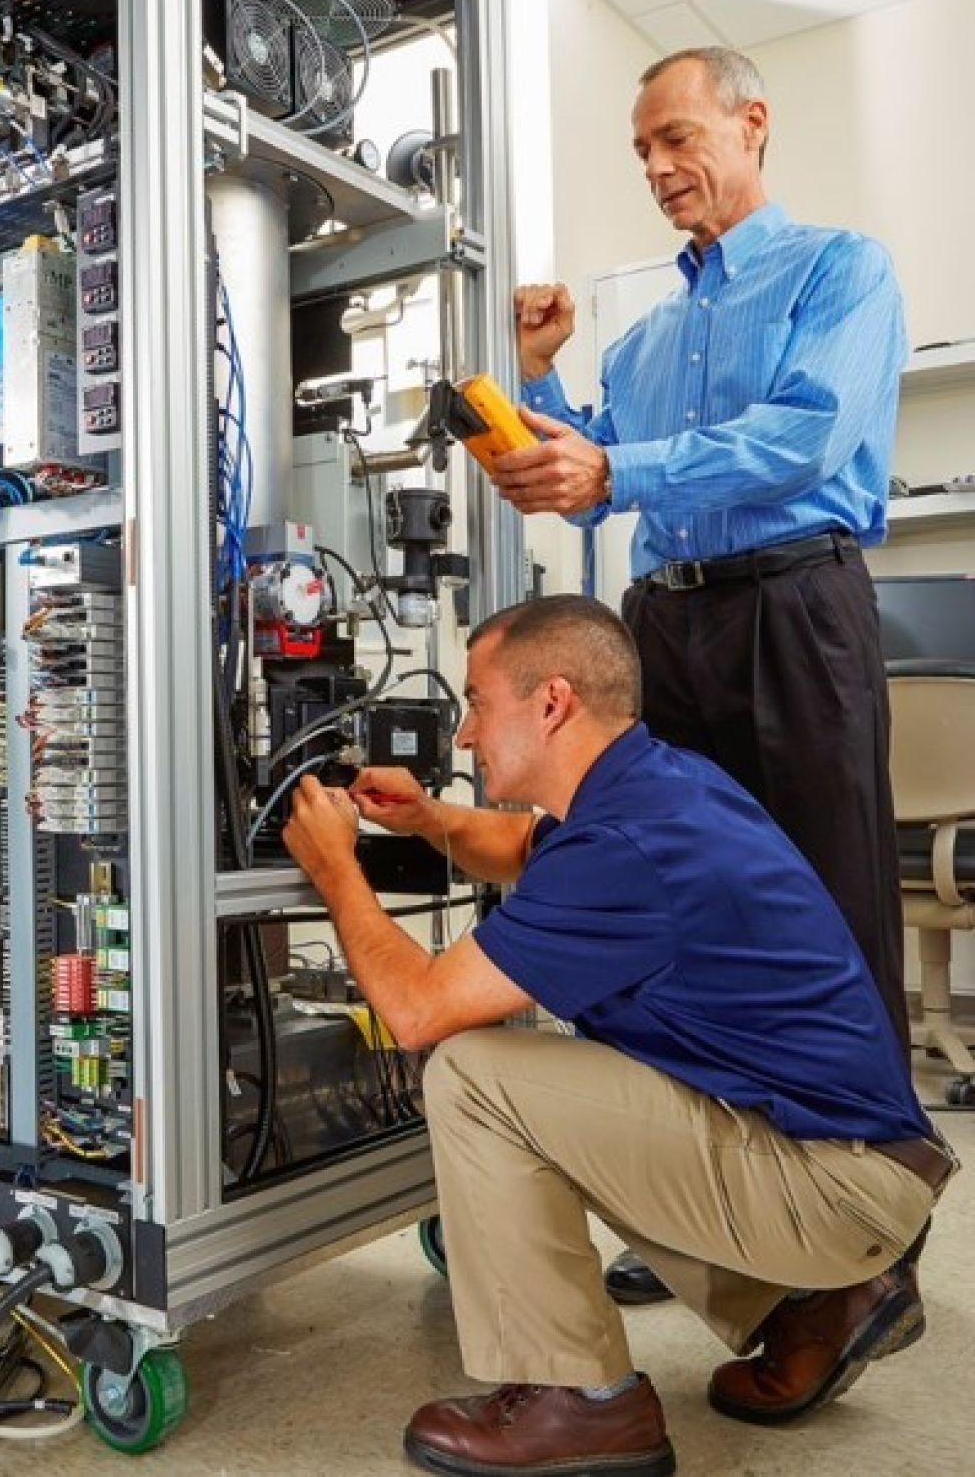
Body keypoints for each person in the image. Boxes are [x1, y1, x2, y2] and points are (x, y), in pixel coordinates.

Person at [282, 596, 954, 1477]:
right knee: (585, 1086)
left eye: (480, 703)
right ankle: (811, 1311)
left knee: (476, 1072)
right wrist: (429, 820)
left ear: (552, 702)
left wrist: (336, 870)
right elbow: (528, 846)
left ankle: (581, 1402)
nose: (466, 739)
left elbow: (415, 1012)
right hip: (859, 1168)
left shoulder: (628, 845)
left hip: (836, 1190)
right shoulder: (655, 785)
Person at [497, 45, 912, 1305]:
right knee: (663, 917)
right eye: (642, 152)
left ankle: (867, 1256)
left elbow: (802, 437)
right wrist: (537, 378)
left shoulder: (840, 268)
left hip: (795, 611)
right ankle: (698, 1200)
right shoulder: (645, 342)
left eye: (678, 138)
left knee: (831, 912)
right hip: (662, 631)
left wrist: (617, 471)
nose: (660, 169)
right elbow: (594, 471)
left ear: (750, 126)